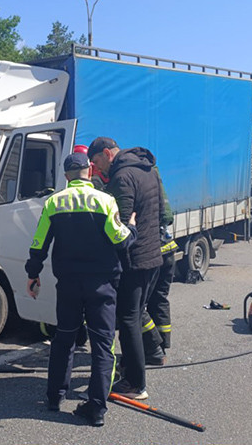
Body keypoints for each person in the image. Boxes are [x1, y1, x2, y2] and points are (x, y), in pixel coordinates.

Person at [25, 152, 137, 427]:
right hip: (102, 284)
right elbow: (120, 241)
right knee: (102, 343)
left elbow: (39, 243)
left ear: (66, 176)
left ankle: (54, 397)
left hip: (69, 284)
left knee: (64, 338)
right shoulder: (105, 200)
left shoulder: (54, 202)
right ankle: (96, 408)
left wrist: (33, 274)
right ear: (89, 170)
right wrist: (132, 228)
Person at [87, 137, 163, 401]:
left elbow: (121, 226)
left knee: (128, 319)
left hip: (134, 259)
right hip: (153, 255)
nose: (96, 169)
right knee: (136, 314)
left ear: (107, 154)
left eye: (96, 162)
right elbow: (160, 211)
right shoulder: (148, 169)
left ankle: (135, 383)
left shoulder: (121, 176)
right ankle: (135, 368)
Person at [146, 167, 178, 359]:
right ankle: (164, 343)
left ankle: (154, 347)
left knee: (139, 306)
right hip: (168, 248)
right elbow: (167, 218)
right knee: (160, 299)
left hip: (154, 252)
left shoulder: (134, 183)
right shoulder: (156, 181)